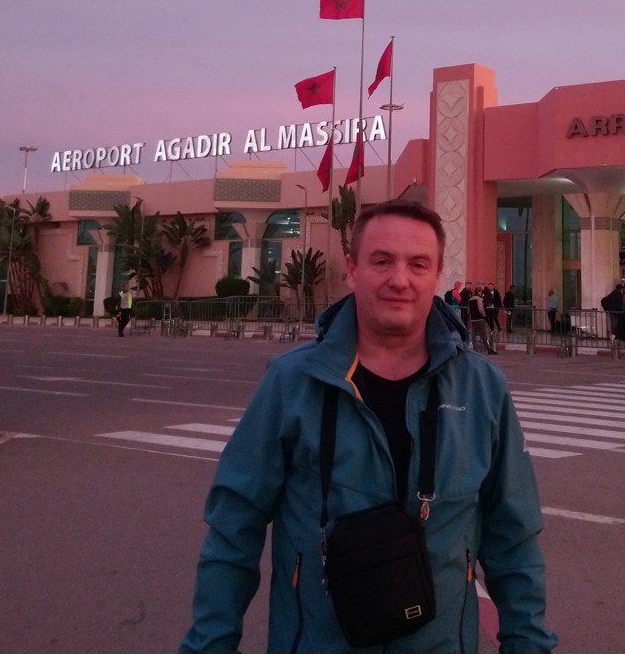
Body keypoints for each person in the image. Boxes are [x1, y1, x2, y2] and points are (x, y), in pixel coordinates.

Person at [182, 201, 555, 654]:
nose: (400, 279)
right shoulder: (292, 383)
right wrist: (209, 644)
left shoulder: (482, 389)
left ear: (437, 275)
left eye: (418, 264)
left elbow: (513, 538)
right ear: (353, 270)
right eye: (382, 261)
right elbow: (233, 529)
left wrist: (529, 643)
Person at [466, 281, 494, 354]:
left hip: (473, 319)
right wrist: (484, 315)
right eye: (481, 292)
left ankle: (475, 349)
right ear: (479, 292)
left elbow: (468, 311)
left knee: (473, 335)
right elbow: (481, 309)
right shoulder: (479, 299)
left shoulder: (470, 299)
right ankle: (489, 349)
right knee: (483, 335)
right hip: (479, 319)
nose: (481, 293)